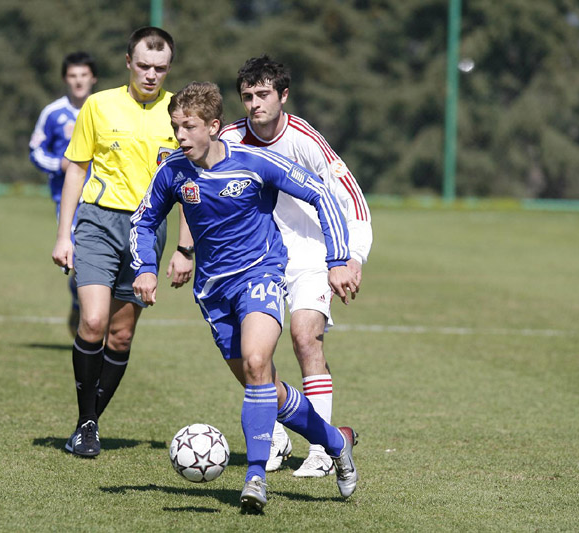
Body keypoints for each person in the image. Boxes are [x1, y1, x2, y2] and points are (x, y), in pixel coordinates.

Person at [130, 82, 359, 513]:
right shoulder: (172, 171)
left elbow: (321, 193)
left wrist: (338, 259)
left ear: (214, 126)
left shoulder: (255, 162)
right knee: (265, 387)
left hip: (261, 275)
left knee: (256, 362)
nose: (180, 135)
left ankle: (255, 478)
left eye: (189, 127)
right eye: (176, 126)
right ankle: (335, 442)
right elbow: (143, 221)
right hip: (213, 293)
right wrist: (145, 267)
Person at [219, 55, 373, 477]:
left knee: (306, 337)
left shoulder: (305, 139)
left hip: (310, 255)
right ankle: (276, 434)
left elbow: (351, 198)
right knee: (253, 355)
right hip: (256, 259)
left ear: (283, 95)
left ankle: (322, 450)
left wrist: (351, 256)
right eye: (247, 96)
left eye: (263, 94)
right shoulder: (229, 139)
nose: (255, 104)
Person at [51, 27, 194, 458]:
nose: (151, 75)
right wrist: (63, 234)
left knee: (121, 336)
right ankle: (87, 423)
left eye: (160, 68)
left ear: (169, 68)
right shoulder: (98, 105)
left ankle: (87, 424)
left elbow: (190, 185)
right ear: (128, 62)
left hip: (147, 230)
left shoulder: (179, 113)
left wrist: (185, 249)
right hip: (97, 221)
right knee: (93, 322)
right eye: (144, 65)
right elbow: (76, 169)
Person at [29, 51, 98, 337]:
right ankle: (81, 305)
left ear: (93, 78)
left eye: (83, 75)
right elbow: (36, 151)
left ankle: (97, 317)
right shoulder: (53, 113)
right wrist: (59, 165)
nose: (78, 81)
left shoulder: (104, 109)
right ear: (65, 79)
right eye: (72, 76)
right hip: (69, 201)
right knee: (79, 260)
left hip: (105, 198)